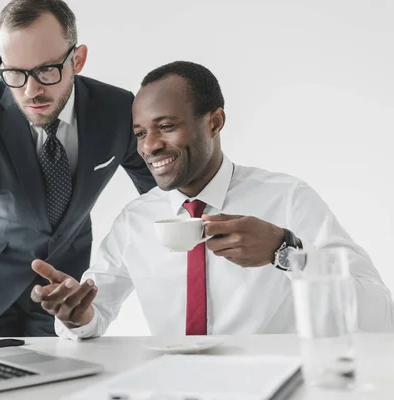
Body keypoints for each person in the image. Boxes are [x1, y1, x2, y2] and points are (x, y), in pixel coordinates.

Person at [30, 61, 394, 339]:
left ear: (215, 122)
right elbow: (95, 312)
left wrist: (285, 251)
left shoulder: (287, 199)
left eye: (166, 126)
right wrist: (76, 316)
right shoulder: (135, 220)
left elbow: (378, 313)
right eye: (140, 133)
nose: (149, 146)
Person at [0, 0, 155, 337]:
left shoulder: (118, 110)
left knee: (64, 388)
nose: (31, 90)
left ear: (77, 60)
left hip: (65, 289)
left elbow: (158, 194)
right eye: (15, 73)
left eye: (47, 70)